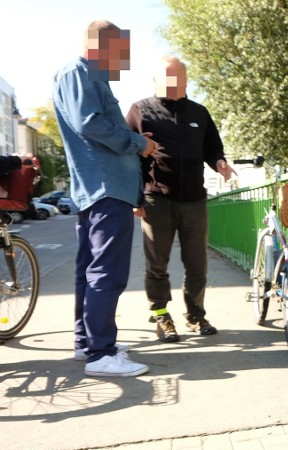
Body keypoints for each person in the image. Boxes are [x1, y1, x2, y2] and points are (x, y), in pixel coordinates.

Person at [53, 20, 157, 377]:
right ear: (103, 45)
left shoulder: (84, 75)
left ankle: (88, 344)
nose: (122, 58)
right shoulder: (79, 73)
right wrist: (139, 143)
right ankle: (101, 353)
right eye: (120, 50)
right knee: (106, 273)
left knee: (90, 271)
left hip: (100, 188)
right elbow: (90, 124)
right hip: (104, 187)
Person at [125, 56, 235, 342]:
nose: (169, 83)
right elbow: (126, 153)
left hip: (194, 200)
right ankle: (161, 316)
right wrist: (134, 196)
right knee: (157, 264)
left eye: (175, 77)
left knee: (197, 263)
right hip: (155, 198)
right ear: (155, 81)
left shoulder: (199, 112)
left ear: (185, 80)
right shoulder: (140, 110)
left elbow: (213, 148)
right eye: (163, 78)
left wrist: (220, 163)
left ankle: (196, 315)